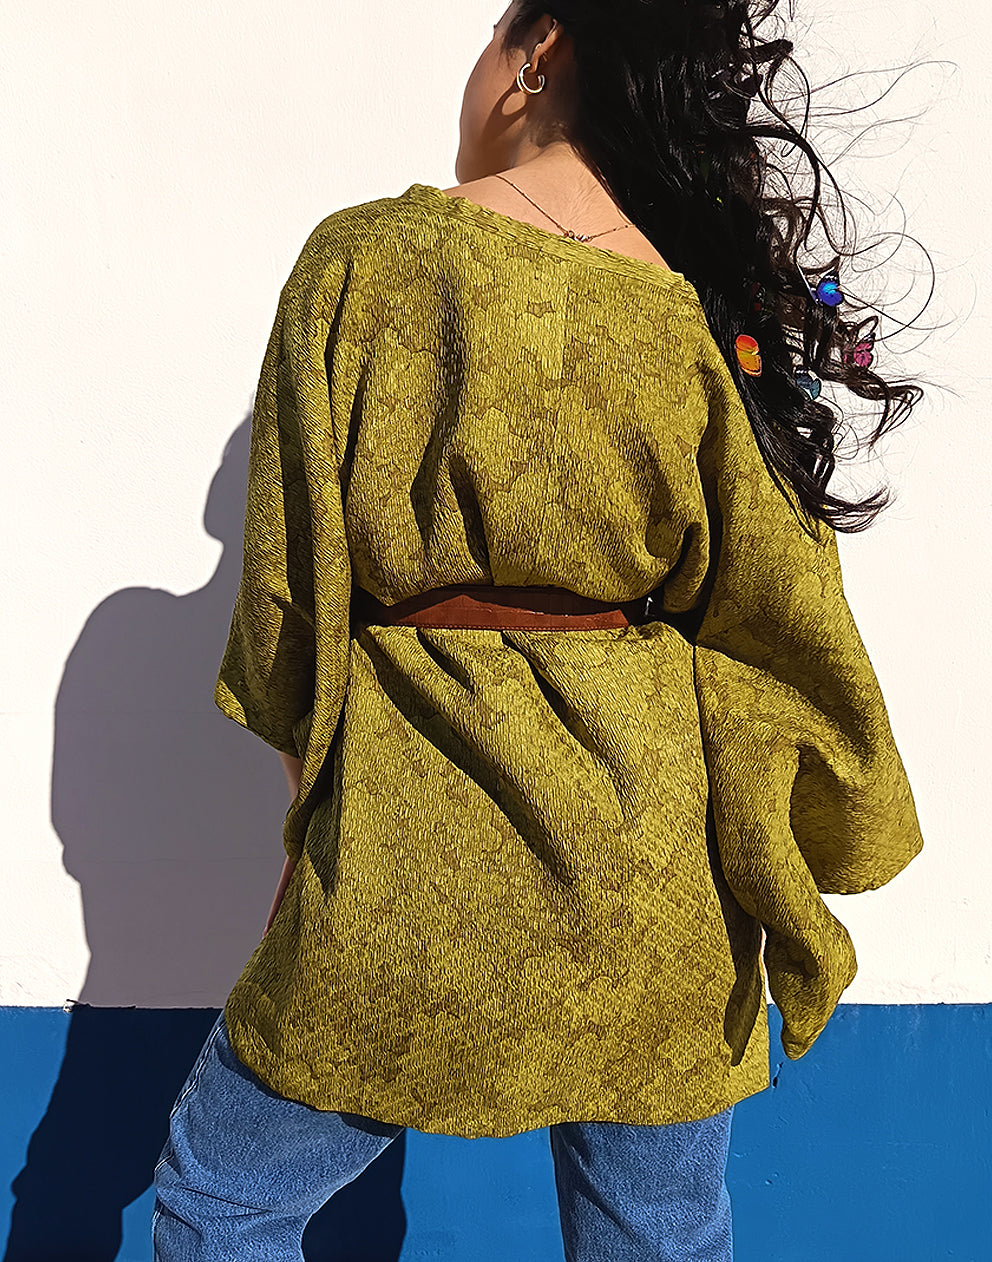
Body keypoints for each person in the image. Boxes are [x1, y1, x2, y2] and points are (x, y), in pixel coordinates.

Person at [151, 2, 927, 1259]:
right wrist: (815, 825)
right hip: (655, 873)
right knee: (657, 1235)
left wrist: (314, 810)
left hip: (408, 844)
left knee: (222, 1201)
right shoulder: (698, 310)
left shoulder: (362, 261)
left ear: (537, 51)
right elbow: (781, 619)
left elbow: (292, 592)